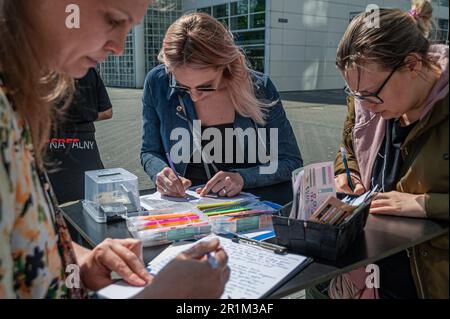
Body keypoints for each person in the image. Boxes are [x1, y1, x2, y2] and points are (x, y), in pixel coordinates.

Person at [0, 0, 229, 299]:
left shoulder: (14, 98)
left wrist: (77, 260)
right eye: (113, 19)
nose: (119, 47)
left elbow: (21, 243)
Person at [332, 0, 448, 299]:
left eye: (371, 95)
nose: (366, 107)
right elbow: (348, 150)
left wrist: (424, 204)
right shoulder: (367, 98)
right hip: (376, 276)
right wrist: (348, 173)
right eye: (355, 94)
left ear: (412, 64)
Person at [141, 13, 302, 199]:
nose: (194, 97)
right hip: (187, 205)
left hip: (249, 207)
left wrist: (243, 178)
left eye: (206, 86)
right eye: (182, 87)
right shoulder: (157, 82)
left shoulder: (259, 88)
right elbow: (150, 151)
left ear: (226, 66)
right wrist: (160, 173)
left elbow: (290, 161)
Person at [47, 68, 113, 204]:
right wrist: (83, 117)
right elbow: (107, 112)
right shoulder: (88, 70)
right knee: (95, 206)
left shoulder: (41, 70)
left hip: (51, 148)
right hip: (85, 148)